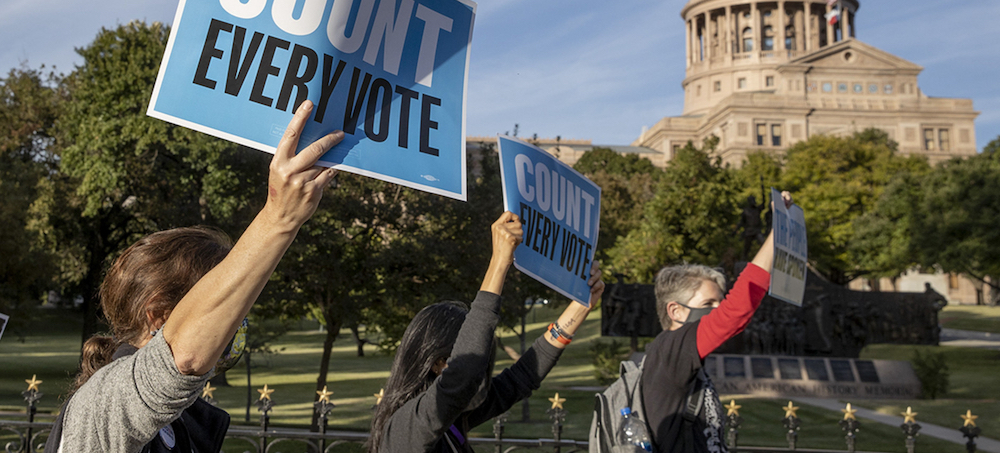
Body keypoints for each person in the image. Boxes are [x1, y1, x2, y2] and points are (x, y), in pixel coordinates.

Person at [44, 100, 342, 453]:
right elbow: (180, 358)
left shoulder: (181, 423)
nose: (232, 319)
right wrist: (279, 218)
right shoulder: (104, 399)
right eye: (217, 298)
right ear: (158, 314)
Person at [368, 211, 605, 453]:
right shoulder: (406, 426)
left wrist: (580, 307)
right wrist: (500, 262)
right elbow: (464, 375)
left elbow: (521, 378)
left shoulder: (452, 421)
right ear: (438, 362)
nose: (481, 370)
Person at [640, 191, 793, 453]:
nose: (719, 309)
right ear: (676, 311)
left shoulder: (683, 357)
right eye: (708, 304)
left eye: (720, 302)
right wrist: (777, 232)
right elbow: (736, 312)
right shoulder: (670, 350)